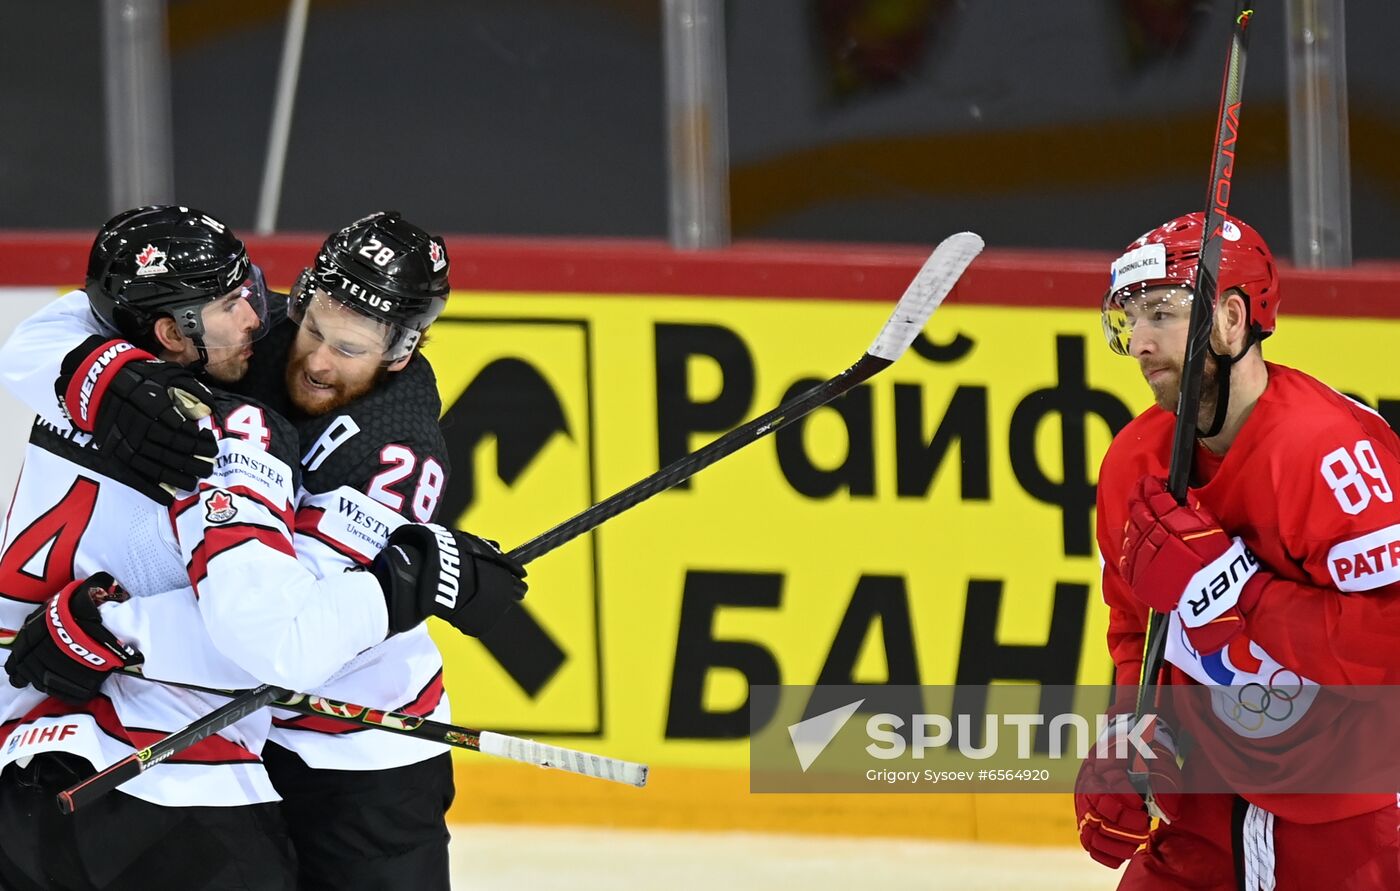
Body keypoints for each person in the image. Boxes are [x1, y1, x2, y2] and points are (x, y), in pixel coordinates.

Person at [0, 206, 522, 890]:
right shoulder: (244, 331)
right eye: (313, 329)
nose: (317, 362)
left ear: (400, 353)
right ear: (300, 297)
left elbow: (284, 640)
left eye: (350, 350)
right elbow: (60, 328)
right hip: (220, 718)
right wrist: (97, 372)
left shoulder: (389, 450)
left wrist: (112, 631)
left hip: (350, 743)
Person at [1076, 212, 1400, 889]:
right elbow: (1136, 630)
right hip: (1203, 817)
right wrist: (1127, 740)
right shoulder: (1131, 462)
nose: (1138, 340)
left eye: (1161, 312)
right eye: (1127, 319)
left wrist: (1239, 591)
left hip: (1345, 823)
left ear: (1230, 318)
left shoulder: (1328, 454)